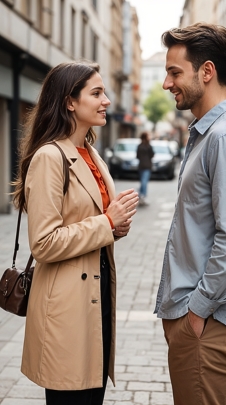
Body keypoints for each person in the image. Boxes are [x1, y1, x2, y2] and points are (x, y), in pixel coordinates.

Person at [12, 61, 139, 405]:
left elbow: (92, 221)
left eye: (104, 92)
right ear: (70, 101)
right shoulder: (49, 158)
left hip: (96, 298)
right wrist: (107, 223)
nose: (106, 101)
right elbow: (43, 243)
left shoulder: (92, 154)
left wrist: (117, 226)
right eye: (96, 93)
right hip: (67, 307)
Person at [154, 22, 226, 405]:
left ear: (207, 71)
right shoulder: (210, 133)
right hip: (202, 322)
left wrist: (196, 313)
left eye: (174, 72)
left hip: (208, 324)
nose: (167, 83)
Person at [136, 131, 154, 205]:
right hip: (147, 166)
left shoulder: (139, 146)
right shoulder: (148, 146)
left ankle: (141, 195)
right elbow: (152, 155)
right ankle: (142, 195)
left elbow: (137, 156)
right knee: (144, 181)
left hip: (141, 165)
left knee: (143, 181)